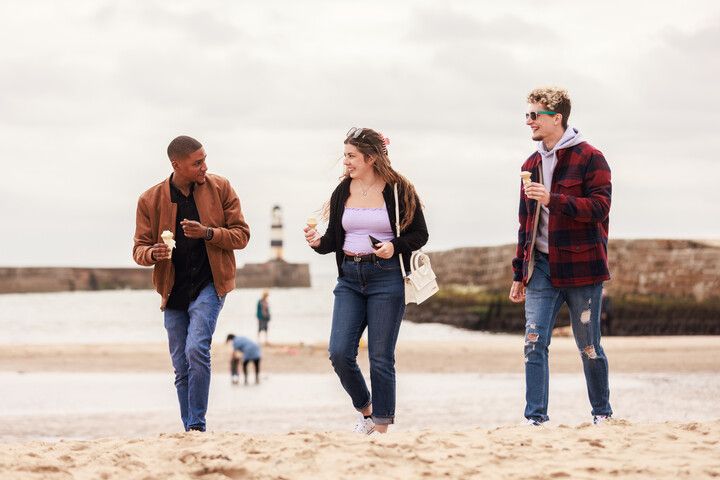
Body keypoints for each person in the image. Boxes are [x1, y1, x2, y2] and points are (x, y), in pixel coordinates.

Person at [304, 127, 428, 434]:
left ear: (370, 157)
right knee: (339, 353)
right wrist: (317, 242)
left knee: (380, 357)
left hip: (387, 278)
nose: (345, 162)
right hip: (349, 277)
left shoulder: (399, 189)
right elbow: (334, 239)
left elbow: (419, 235)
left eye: (351, 156)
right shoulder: (342, 191)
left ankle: (382, 427)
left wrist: (393, 247)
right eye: (345, 155)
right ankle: (367, 410)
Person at [509, 87, 613, 426]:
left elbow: (600, 208)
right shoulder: (530, 164)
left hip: (582, 267)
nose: (529, 122)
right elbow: (525, 224)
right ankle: (535, 419)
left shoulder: (590, 158)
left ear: (557, 118)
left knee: (589, 347)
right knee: (533, 342)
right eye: (527, 115)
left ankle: (602, 414)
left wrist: (554, 199)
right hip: (540, 268)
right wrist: (518, 274)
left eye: (534, 115)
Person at [133, 135, 250, 432]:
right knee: (180, 365)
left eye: (205, 159)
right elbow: (139, 249)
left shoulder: (220, 187)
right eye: (197, 163)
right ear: (177, 165)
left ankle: (197, 425)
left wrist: (208, 233)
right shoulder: (150, 200)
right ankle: (189, 428)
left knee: (196, 348)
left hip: (211, 284)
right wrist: (152, 253)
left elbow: (242, 235)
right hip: (172, 291)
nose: (204, 167)